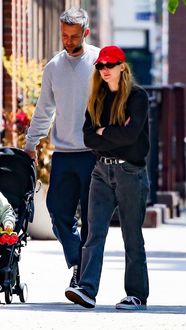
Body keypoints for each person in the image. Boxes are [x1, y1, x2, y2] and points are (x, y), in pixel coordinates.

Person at [65, 45, 150, 310]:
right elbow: (89, 138)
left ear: (122, 67)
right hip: (101, 170)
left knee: (131, 236)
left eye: (109, 65)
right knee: (94, 233)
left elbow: (131, 136)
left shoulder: (137, 97)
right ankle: (87, 289)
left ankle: (136, 295)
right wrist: (108, 133)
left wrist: (104, 133)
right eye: (100, 65)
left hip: (131, 172)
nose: (104, 70)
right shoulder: (97, 98)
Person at [24, 7, 99, 294]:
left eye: (74, 36)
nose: (68, 41)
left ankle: (84, 279)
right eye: (64, 35)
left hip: (93, 154)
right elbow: (45, 109)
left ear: (86, 33)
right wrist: (31, 144)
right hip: (65, 154)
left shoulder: (97, 61)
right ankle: (79, 263)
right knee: (57, 212)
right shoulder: (54, 67)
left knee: (92, 220)